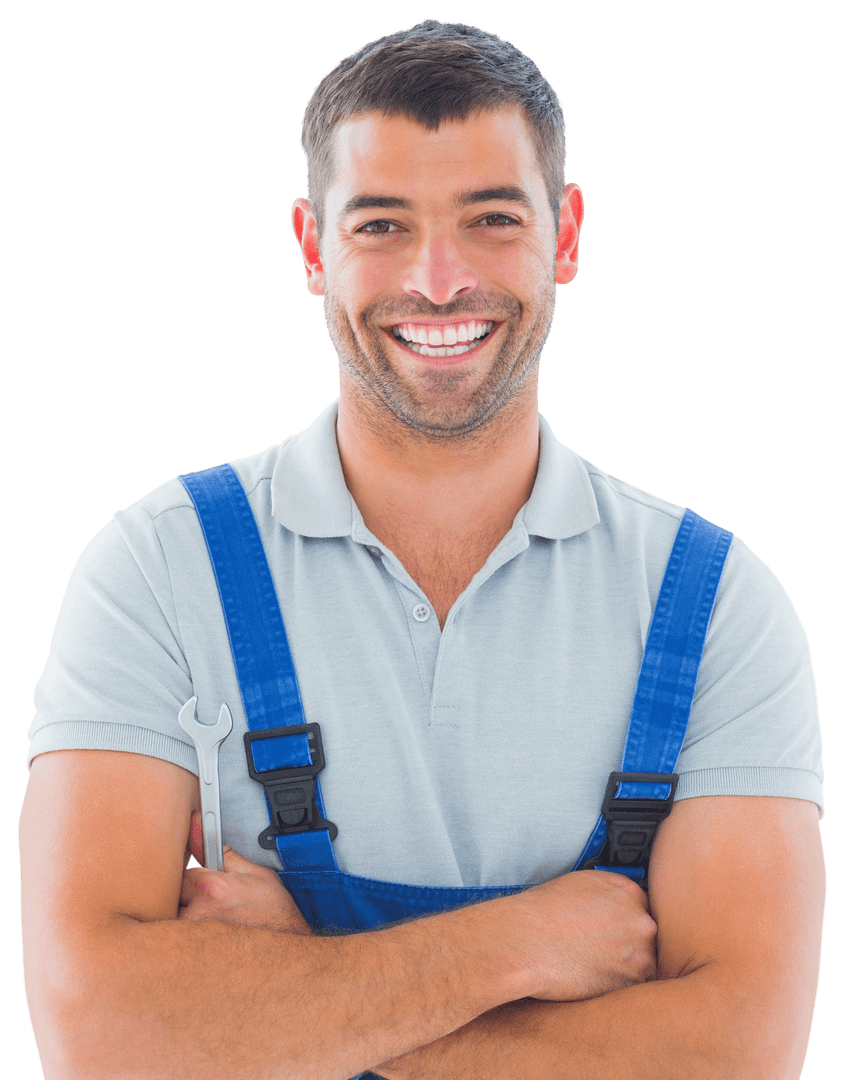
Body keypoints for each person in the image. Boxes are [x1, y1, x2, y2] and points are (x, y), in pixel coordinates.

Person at [19, 18, 824, 1080]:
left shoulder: (717, 603)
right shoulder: (155, 573)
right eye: (382, 225)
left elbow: (732, 1057)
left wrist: (298, 990)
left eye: (490, 218)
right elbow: (100, 1039)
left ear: (564, 235)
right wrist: (524, 945)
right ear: (312, 248)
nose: (439, 282)